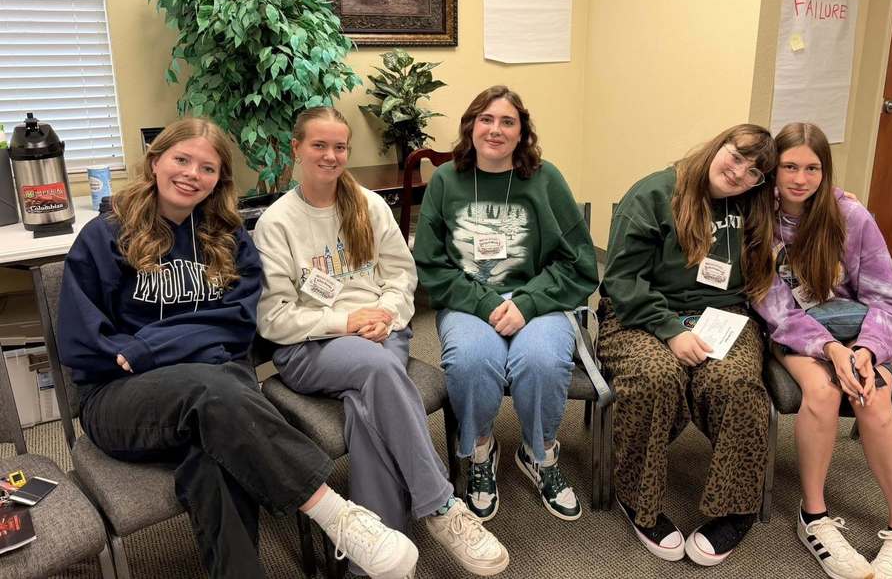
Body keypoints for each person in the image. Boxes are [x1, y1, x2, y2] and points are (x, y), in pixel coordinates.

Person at [57, 118, 418, 579]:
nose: (192, 174)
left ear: (219, 179)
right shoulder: (106, 234)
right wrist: (159, 353)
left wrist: (148, 346)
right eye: (181, 159)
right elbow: (83, 341)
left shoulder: (229, 239)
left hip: (220, 400)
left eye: (207, 168)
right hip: (121, 400)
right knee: (212, 388)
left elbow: (238, 325)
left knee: (217, 460)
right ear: (155, 162)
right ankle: (339, 517)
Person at [253, 106, 508, 577]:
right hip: (309, 346)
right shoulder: (277, 223)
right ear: (296, 149)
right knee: (377, 370)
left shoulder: (368, 205)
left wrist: (386, 314)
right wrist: (347, 321)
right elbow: (274, 319)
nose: (331, 156)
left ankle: (376, 561)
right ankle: (438, 504)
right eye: (319, 145)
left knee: (365, 404)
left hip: (381, 330)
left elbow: (400, 275)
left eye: (339, 147)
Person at [413, 86, 598, 524]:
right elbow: (431, 265)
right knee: (472, 360)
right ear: (471, 127)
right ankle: (480, 450)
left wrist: (528, 303)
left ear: (522, 133)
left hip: (538, 297)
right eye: (486, 119)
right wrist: (484, 302)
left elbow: (580, 262)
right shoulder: (445, 181)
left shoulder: (545, 179)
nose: (495, 129)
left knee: (541, 360)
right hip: (468, 299)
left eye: (507, 122)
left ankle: (539, 452)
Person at [598, 124, 777, 566]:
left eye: (753, 172)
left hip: (724, 317)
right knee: (654, 378)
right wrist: (670, 329)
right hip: (639, 313)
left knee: (737, 386)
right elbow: (621, 280)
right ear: (718, 146)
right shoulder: (657, 194)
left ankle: (735, 509)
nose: (738, 174)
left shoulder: (751, 205)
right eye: (735, 157)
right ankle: (639, 500)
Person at [753, 122, 892, 579]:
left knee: (873, 392)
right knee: (823, 392)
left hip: (860, 327)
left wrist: (865, 350)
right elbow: (774, 307)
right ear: (773, 169)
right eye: (790, 166)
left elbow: (889, 301)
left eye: (812, 168)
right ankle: (814, 516)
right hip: (798, 331)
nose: (800, 179)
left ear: (825, 172)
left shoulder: (852, 217)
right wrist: (829, 349)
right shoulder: (757, 217)